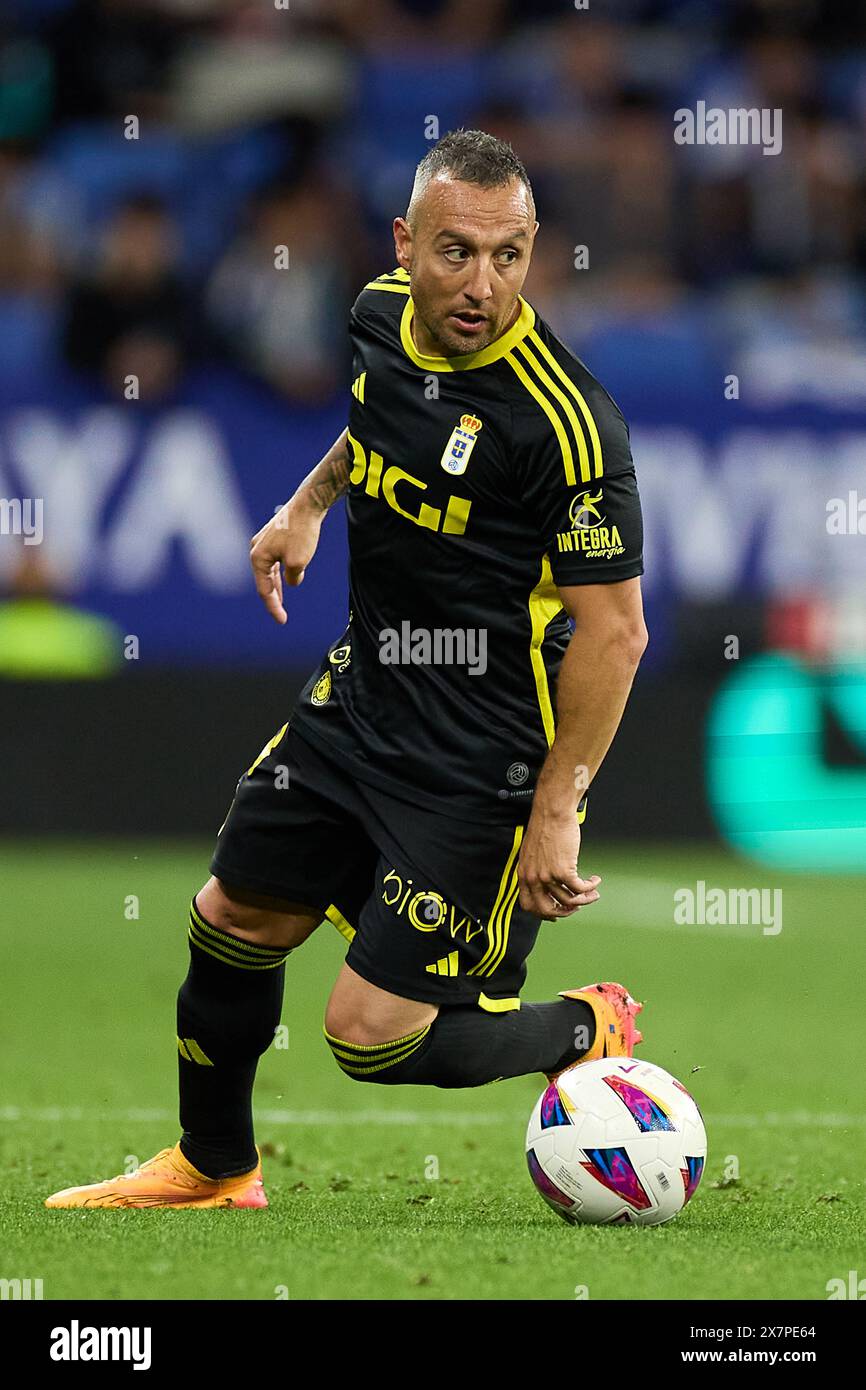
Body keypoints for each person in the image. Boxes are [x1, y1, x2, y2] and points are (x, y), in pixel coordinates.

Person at [46, 129, 648, 1211]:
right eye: (456, 253)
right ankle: (214, 1168)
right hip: (358, 700)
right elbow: (372, 418)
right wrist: (305, 505)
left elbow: (616, 632)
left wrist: (559, 804)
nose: (482, 285)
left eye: (508, 256)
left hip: (478, 761)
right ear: (402, 244)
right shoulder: (375, 310)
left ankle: (581, 1024)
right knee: (233, 915)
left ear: (533, 250)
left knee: (367, 1038)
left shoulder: (566, 426)